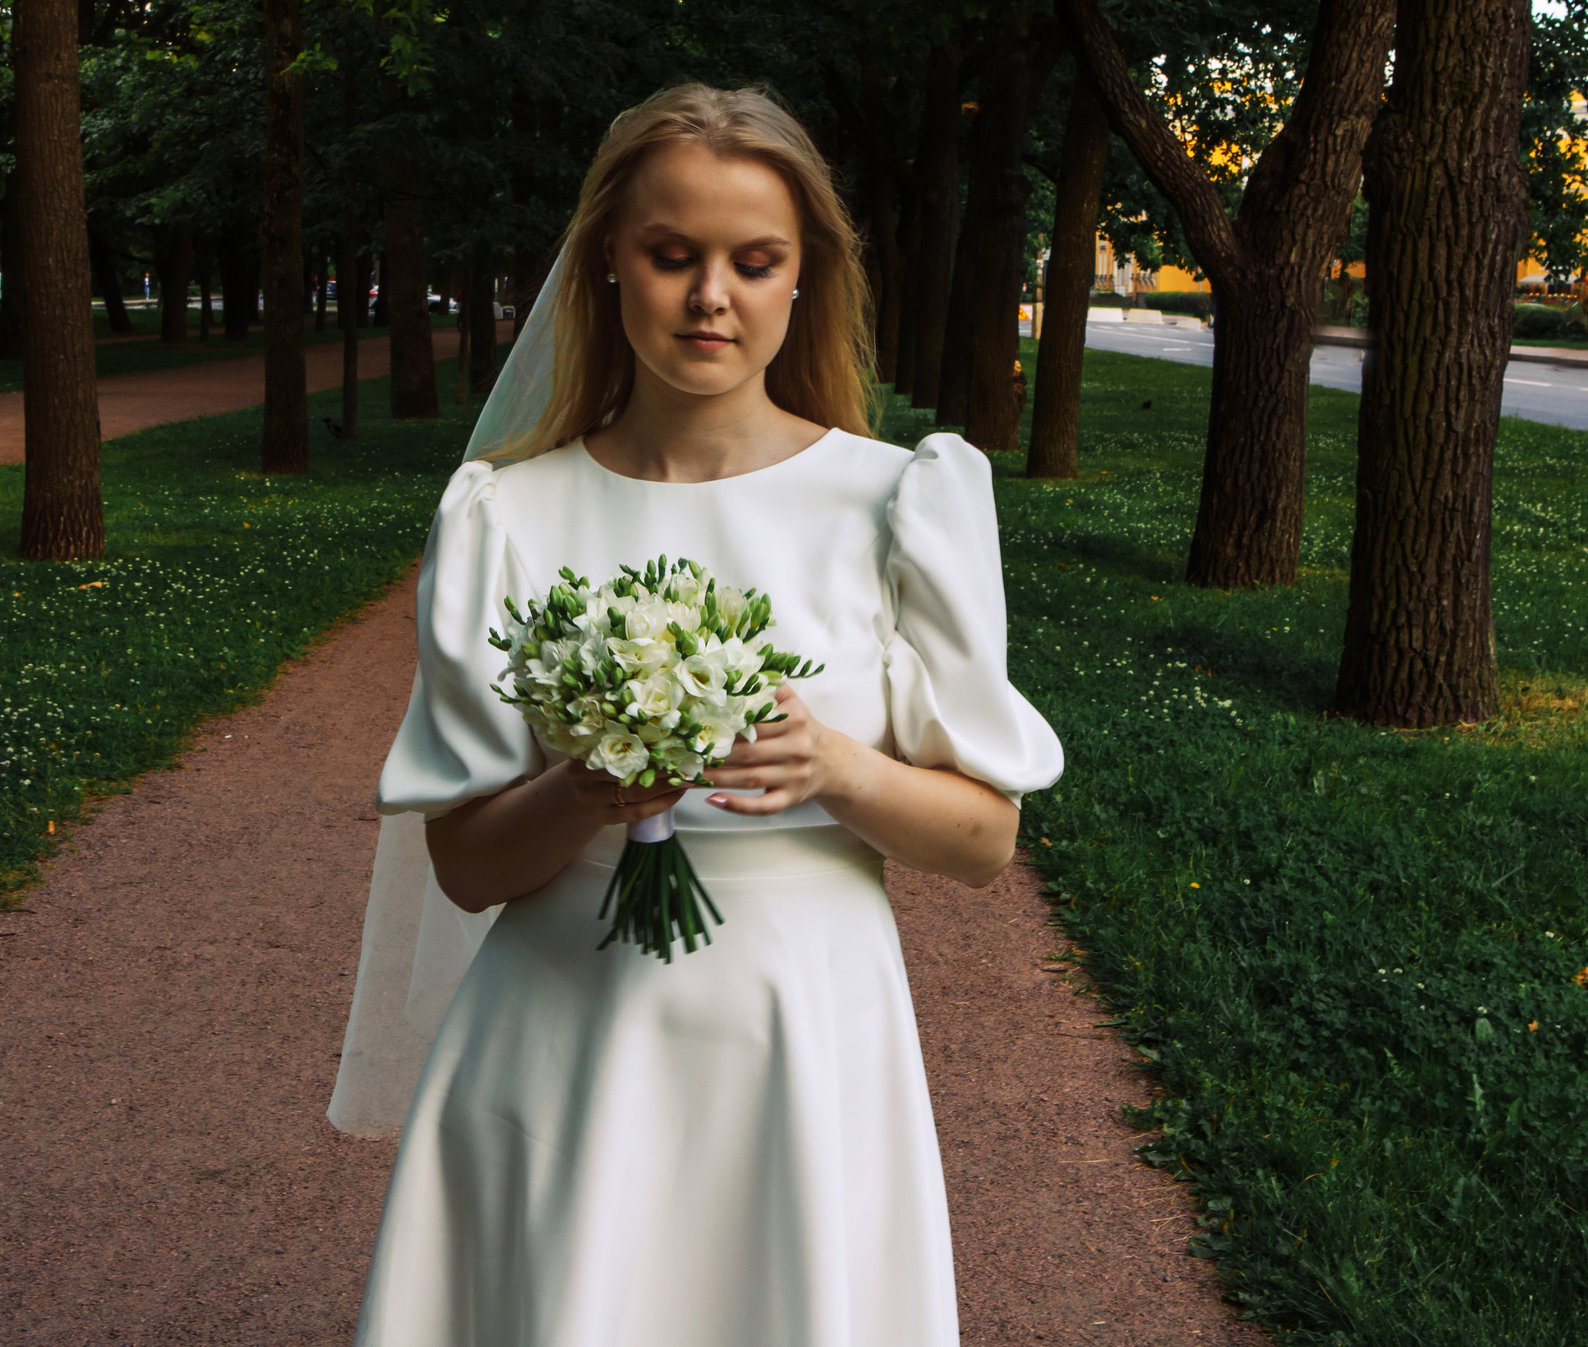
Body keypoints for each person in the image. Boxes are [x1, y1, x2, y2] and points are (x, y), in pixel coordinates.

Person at [332, 84, 1064, 1346]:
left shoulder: (898, 502)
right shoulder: (508, 515)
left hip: (802, 1027)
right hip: (564, 1031)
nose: (709, 296)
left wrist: (836, 766)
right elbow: (460, 870)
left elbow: (984, 841)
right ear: (608, 263)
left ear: (801, 279)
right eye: (671, 256)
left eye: (752, 261)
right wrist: (584, 790)